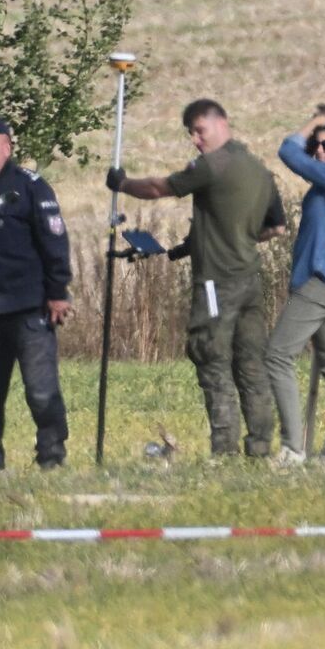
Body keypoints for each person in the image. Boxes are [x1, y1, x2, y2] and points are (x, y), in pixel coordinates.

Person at [108, 99, 284, 457]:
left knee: (211, 356)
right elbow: (275, 227)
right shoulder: (259, 169)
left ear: (222, 123)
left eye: (199, 130)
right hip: (250, 279)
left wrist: (122, 183)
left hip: (216, 282)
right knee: (251, 362)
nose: (195, 140)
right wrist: (229, 238)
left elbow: (160, 188)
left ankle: (225, 449)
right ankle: (261, 444)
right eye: (191, 133)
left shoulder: (212, 165)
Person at [0, 116, 73, 469]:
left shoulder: (31, 187)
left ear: (7, 147)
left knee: (41, 391)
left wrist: (58, 290)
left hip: (29, 308)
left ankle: (52, 456)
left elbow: (54, 240)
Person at [263, 106, 325, 464]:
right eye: (316, 146)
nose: (319, 151)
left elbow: (288, 151)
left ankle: (292, 449)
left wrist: (314, 122)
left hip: (320, 280)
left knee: (277, 355)